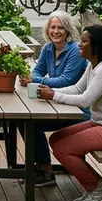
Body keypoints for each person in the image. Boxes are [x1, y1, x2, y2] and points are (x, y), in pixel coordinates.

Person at [37, 25, 102, 201]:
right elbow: (77, 89)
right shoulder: (94, 65)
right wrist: (51, 91)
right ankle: (94, 182)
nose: (79, 45)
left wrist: (54, 96)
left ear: (96, 46)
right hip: (100, 123)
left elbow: (85, 100)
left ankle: (96, 187)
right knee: (57, 139)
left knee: (63, 149)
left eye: (83, 41)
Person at [19, 11, 88, 187]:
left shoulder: (75, 51)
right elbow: (37, 70)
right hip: (58, 103)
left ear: (68, 31)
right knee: (22, 120)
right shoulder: (48, 48)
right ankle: (38, 167)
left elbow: (67, 80)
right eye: (53, 27)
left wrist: (35, 80)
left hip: (79, 111)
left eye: (60, 28)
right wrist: (35, 77)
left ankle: (46, 171)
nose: (56, 31)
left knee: (32, 123)